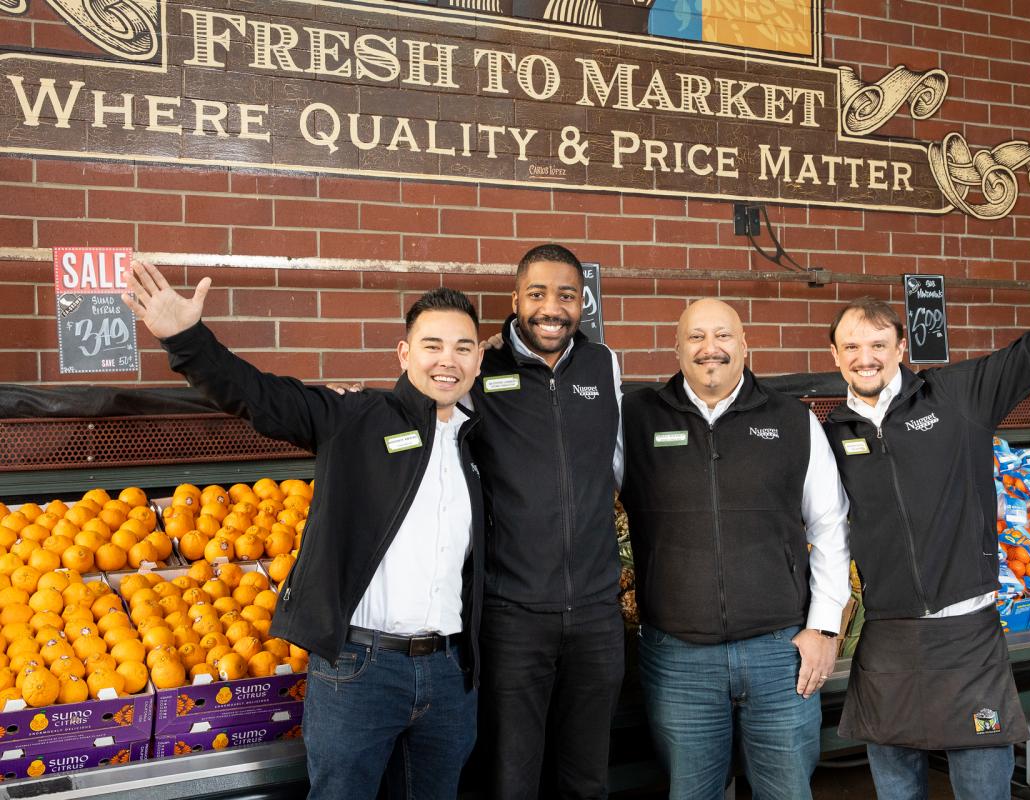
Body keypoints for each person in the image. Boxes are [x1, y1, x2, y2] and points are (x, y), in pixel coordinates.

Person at [822, 182, 1030, 800]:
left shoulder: (958, 396)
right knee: (897, 793)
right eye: (852, 348)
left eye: (876, 344)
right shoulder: (830, 435)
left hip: (967, 635)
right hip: (888, 640)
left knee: (984, 789)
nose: (865, 357)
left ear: (900, 348)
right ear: (836, 357)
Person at [122, 261, 486, 800]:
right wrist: (186, 339)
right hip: (359, 669)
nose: (447, 361)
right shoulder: (353, 418)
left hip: (451, 673)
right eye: (432, 345)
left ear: (479, 358)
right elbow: (259, 397)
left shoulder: (480, 442)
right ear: (405, 354)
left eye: (462, 348)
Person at [619, 298, 851, 799]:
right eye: (696, 337)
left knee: (787, 791)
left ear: (745, 345)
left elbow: (830, 525)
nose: (711, 348)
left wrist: (824, 627)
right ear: (677, 348)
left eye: (723, 335)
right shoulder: (633, 419)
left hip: (780, 653)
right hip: (679, 657)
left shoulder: (792, 420)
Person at [470, 243, 625, 799]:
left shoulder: (603, 364)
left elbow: (621, 465)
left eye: (565, 294)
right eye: (537, 294)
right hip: (513, 614)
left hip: (595, 614)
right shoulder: (480, 367)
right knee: (512, 779)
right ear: (515, 300)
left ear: (582, 301)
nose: (551, 308)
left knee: (586, 779)